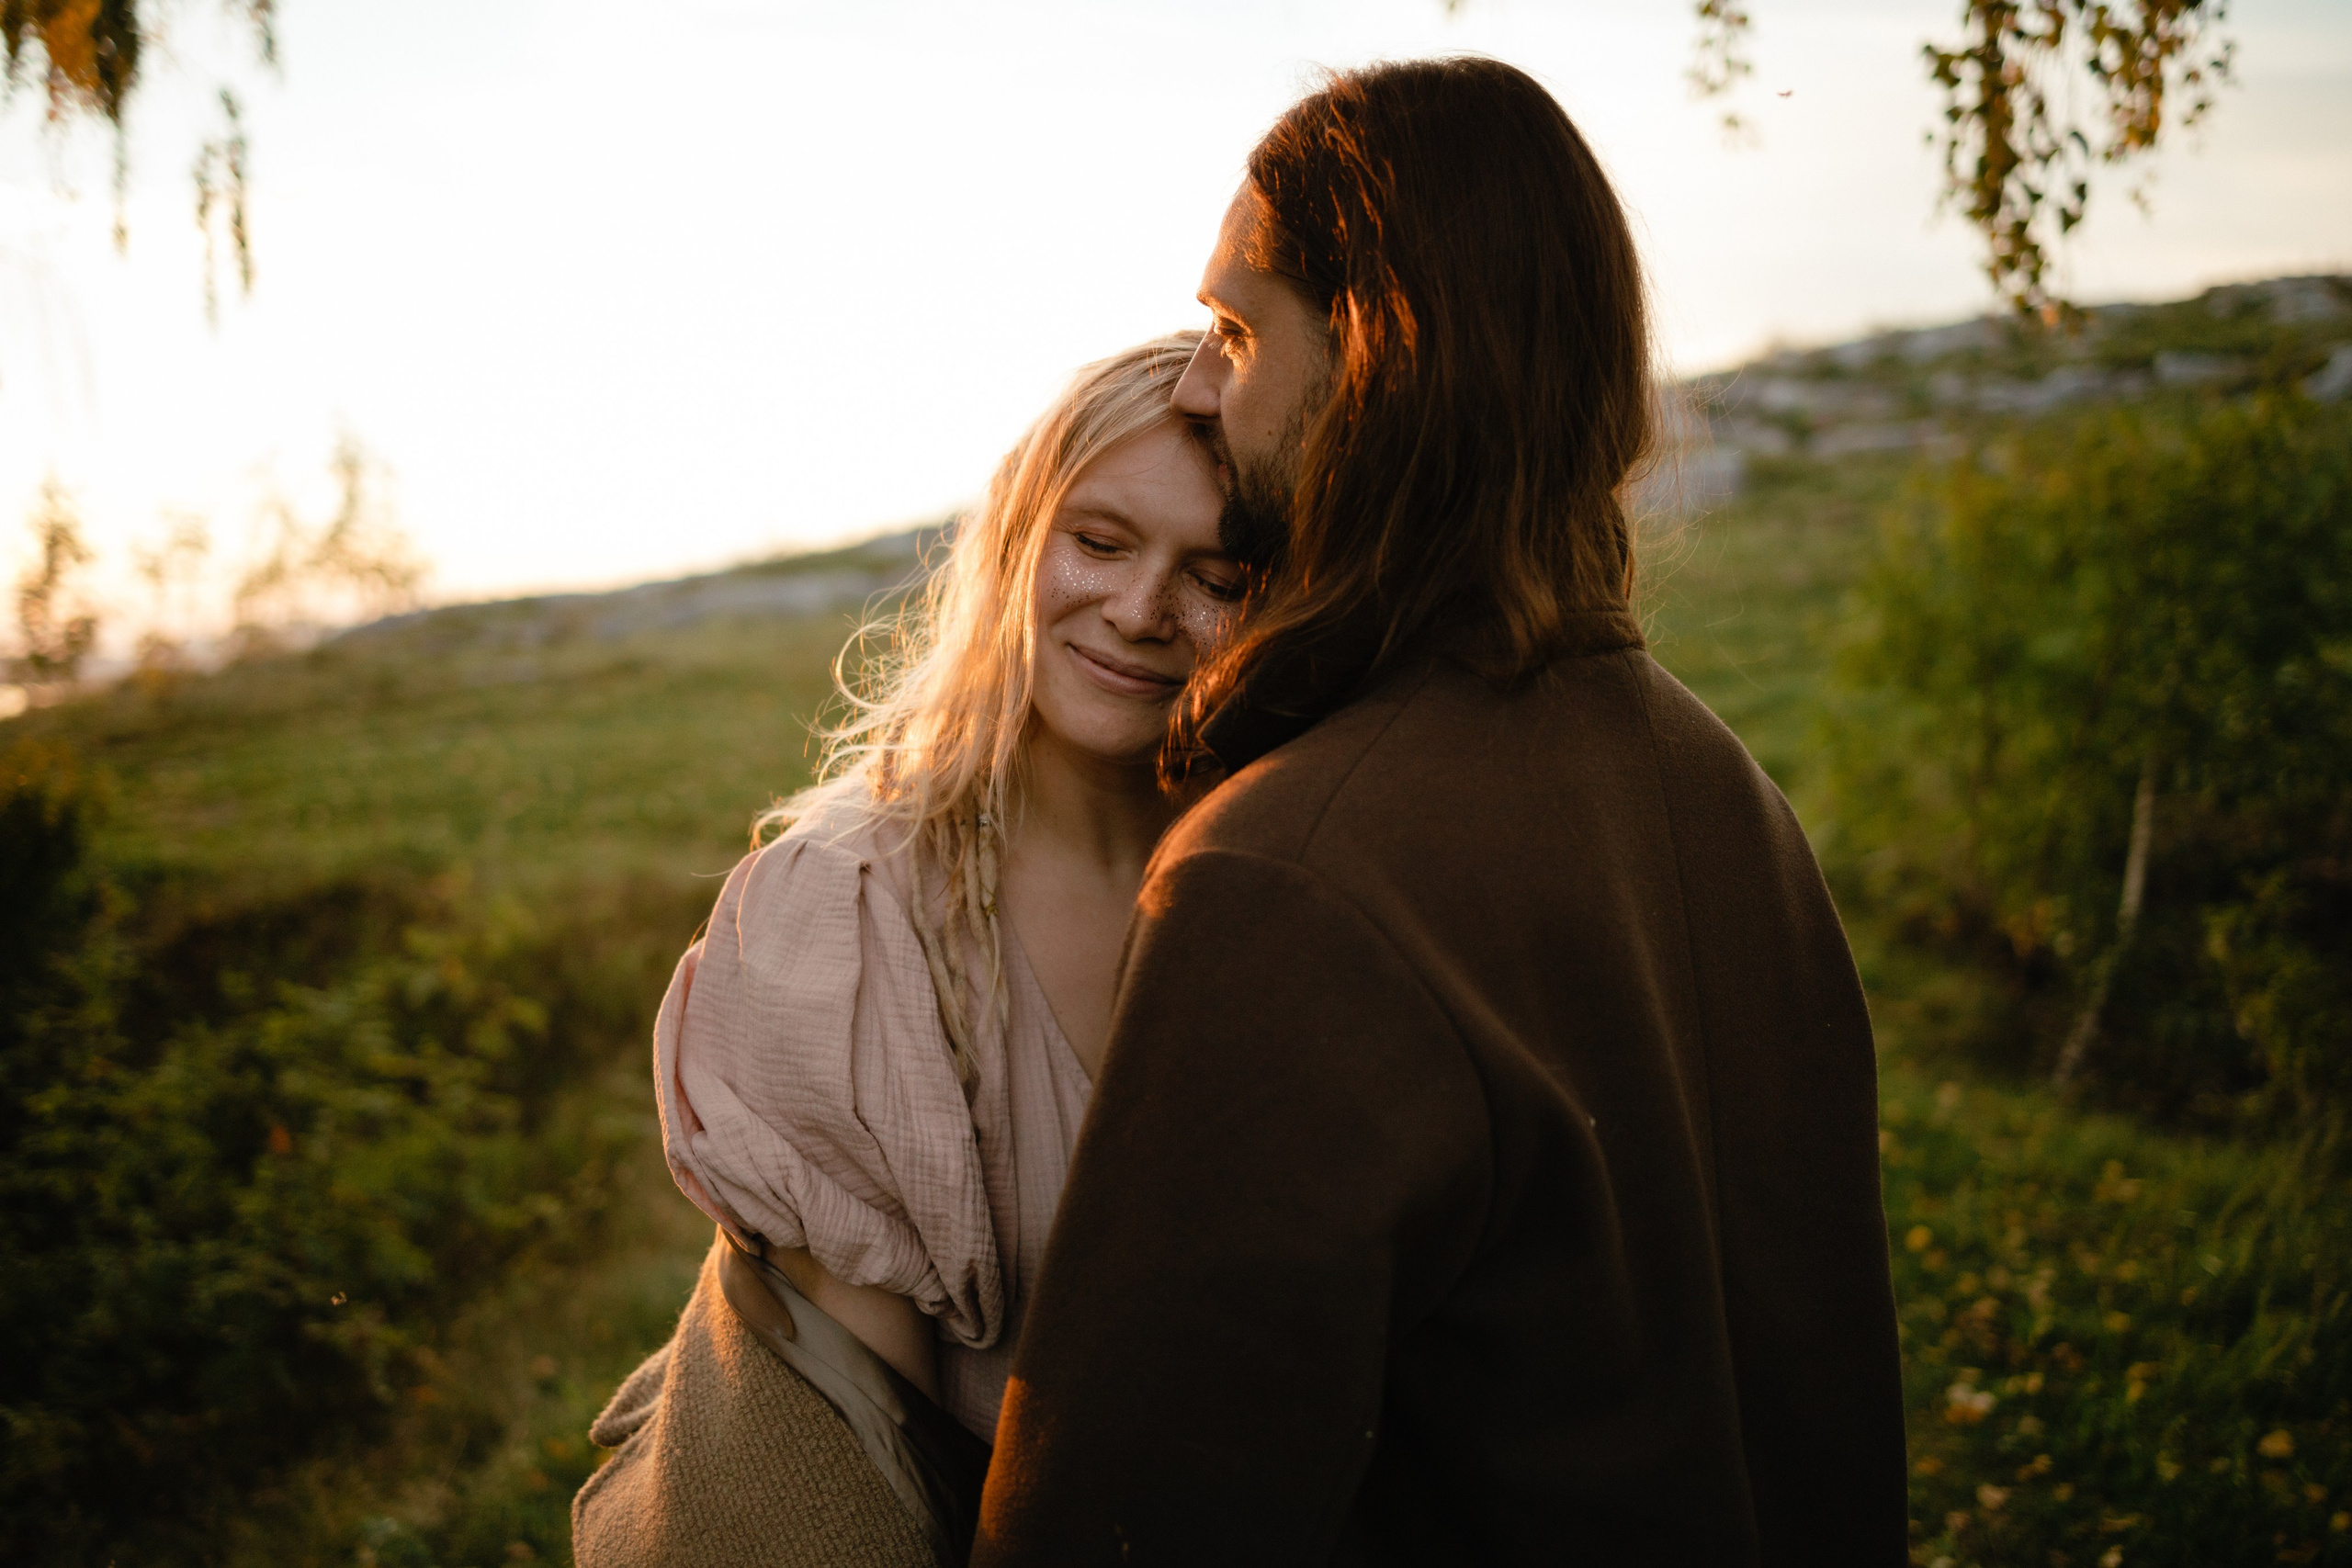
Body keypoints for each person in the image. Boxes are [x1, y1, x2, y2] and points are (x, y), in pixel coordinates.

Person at [972, 59, 1906, 1566]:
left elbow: (1117, 1528)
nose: (1204, 385)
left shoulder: (1294, 877)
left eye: (1234, 328)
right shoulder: (1728, 794)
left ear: (1377, 356)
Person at [571, 333, 1243, 1568]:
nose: (1142, 610)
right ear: (1017, 539)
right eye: (1099, 541)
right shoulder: (849, 913)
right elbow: (860, 1460)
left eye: (1215, 571)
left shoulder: (1285, 867)